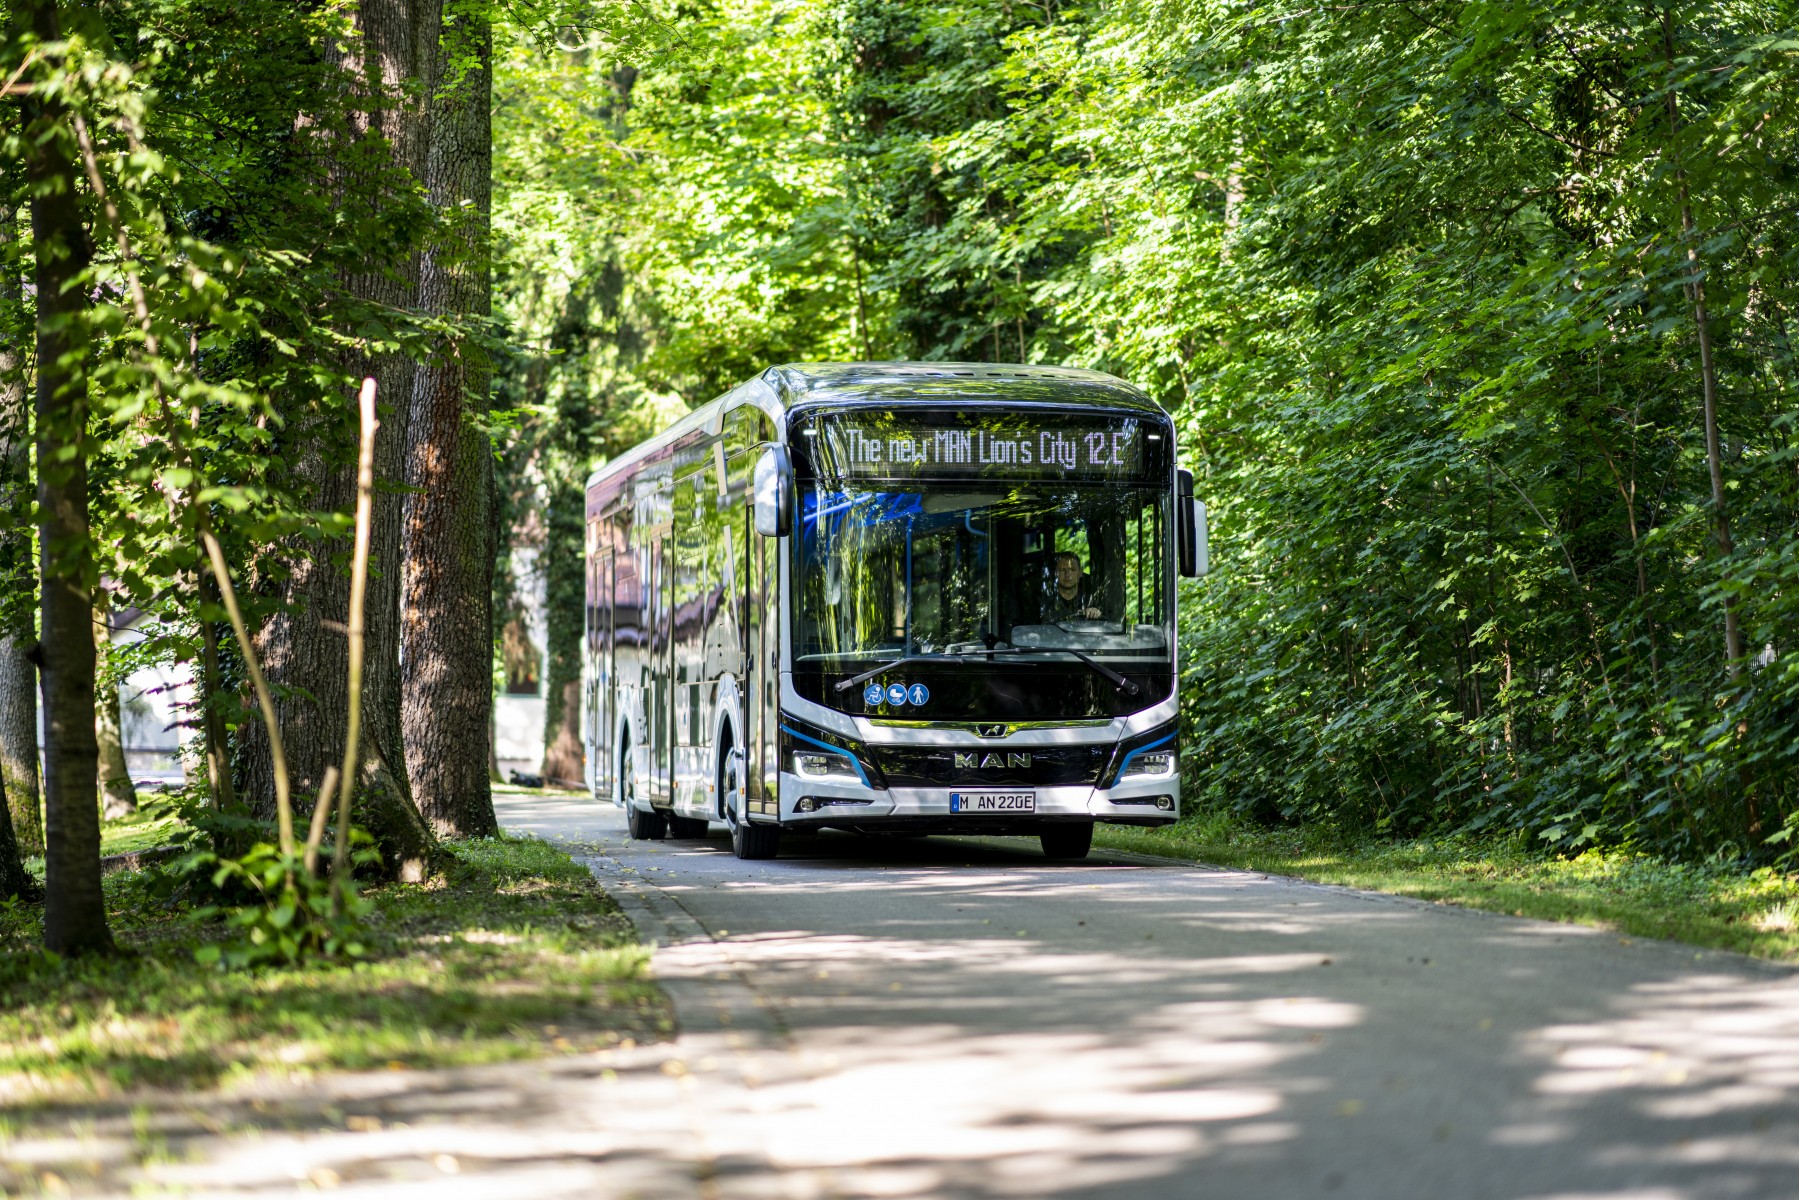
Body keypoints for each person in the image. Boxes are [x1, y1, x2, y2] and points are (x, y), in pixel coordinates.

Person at [1042, 551, 1104, 622]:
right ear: (1056, 573)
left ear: (1080, 573)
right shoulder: (1045, 603)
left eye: (1072, 570)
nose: (1067, 574)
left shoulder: (1091, 601)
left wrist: (1095, 614)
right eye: (1062, 570)